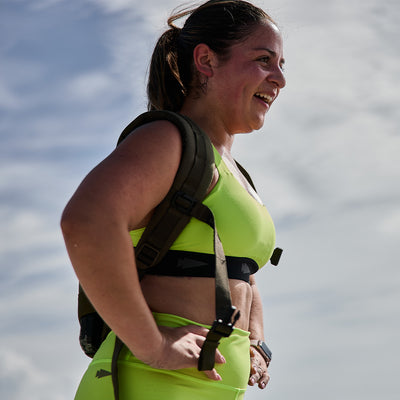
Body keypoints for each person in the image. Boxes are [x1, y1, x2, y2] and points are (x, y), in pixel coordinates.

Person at [61, 0, 286, 399]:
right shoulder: (170, 140)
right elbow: (87, 221)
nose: (280, 79)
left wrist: (256, 343)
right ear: (206, 60)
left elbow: (242, 272)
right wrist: (154, 347)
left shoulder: (233, 169)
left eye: (282, 64)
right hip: (152, 385)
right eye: (264, 59)